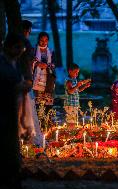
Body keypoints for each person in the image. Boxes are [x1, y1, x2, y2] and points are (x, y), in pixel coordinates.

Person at [0, 33, 26, 189]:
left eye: (21, 48)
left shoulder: (14, 63)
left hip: (12, 110)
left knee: (12, 145)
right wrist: (17, 87)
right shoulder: (2, 64)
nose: (20, 51)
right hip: (2, 110)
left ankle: (13, 177)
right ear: (8, 47)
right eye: (17, 47)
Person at [32, 32, 56, 125]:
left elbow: (54, 64)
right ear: (38, 40)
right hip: (36, 82)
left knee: (47, 105)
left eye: (46, 40)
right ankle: (37, 126)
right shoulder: (33, 50)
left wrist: (49, 65)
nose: (44, 42)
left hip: (48, 81)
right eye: (42, 40)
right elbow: (29, 61)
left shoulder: (51, 51)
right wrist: (37, 64)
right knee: (37, 105)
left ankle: (46, 126)